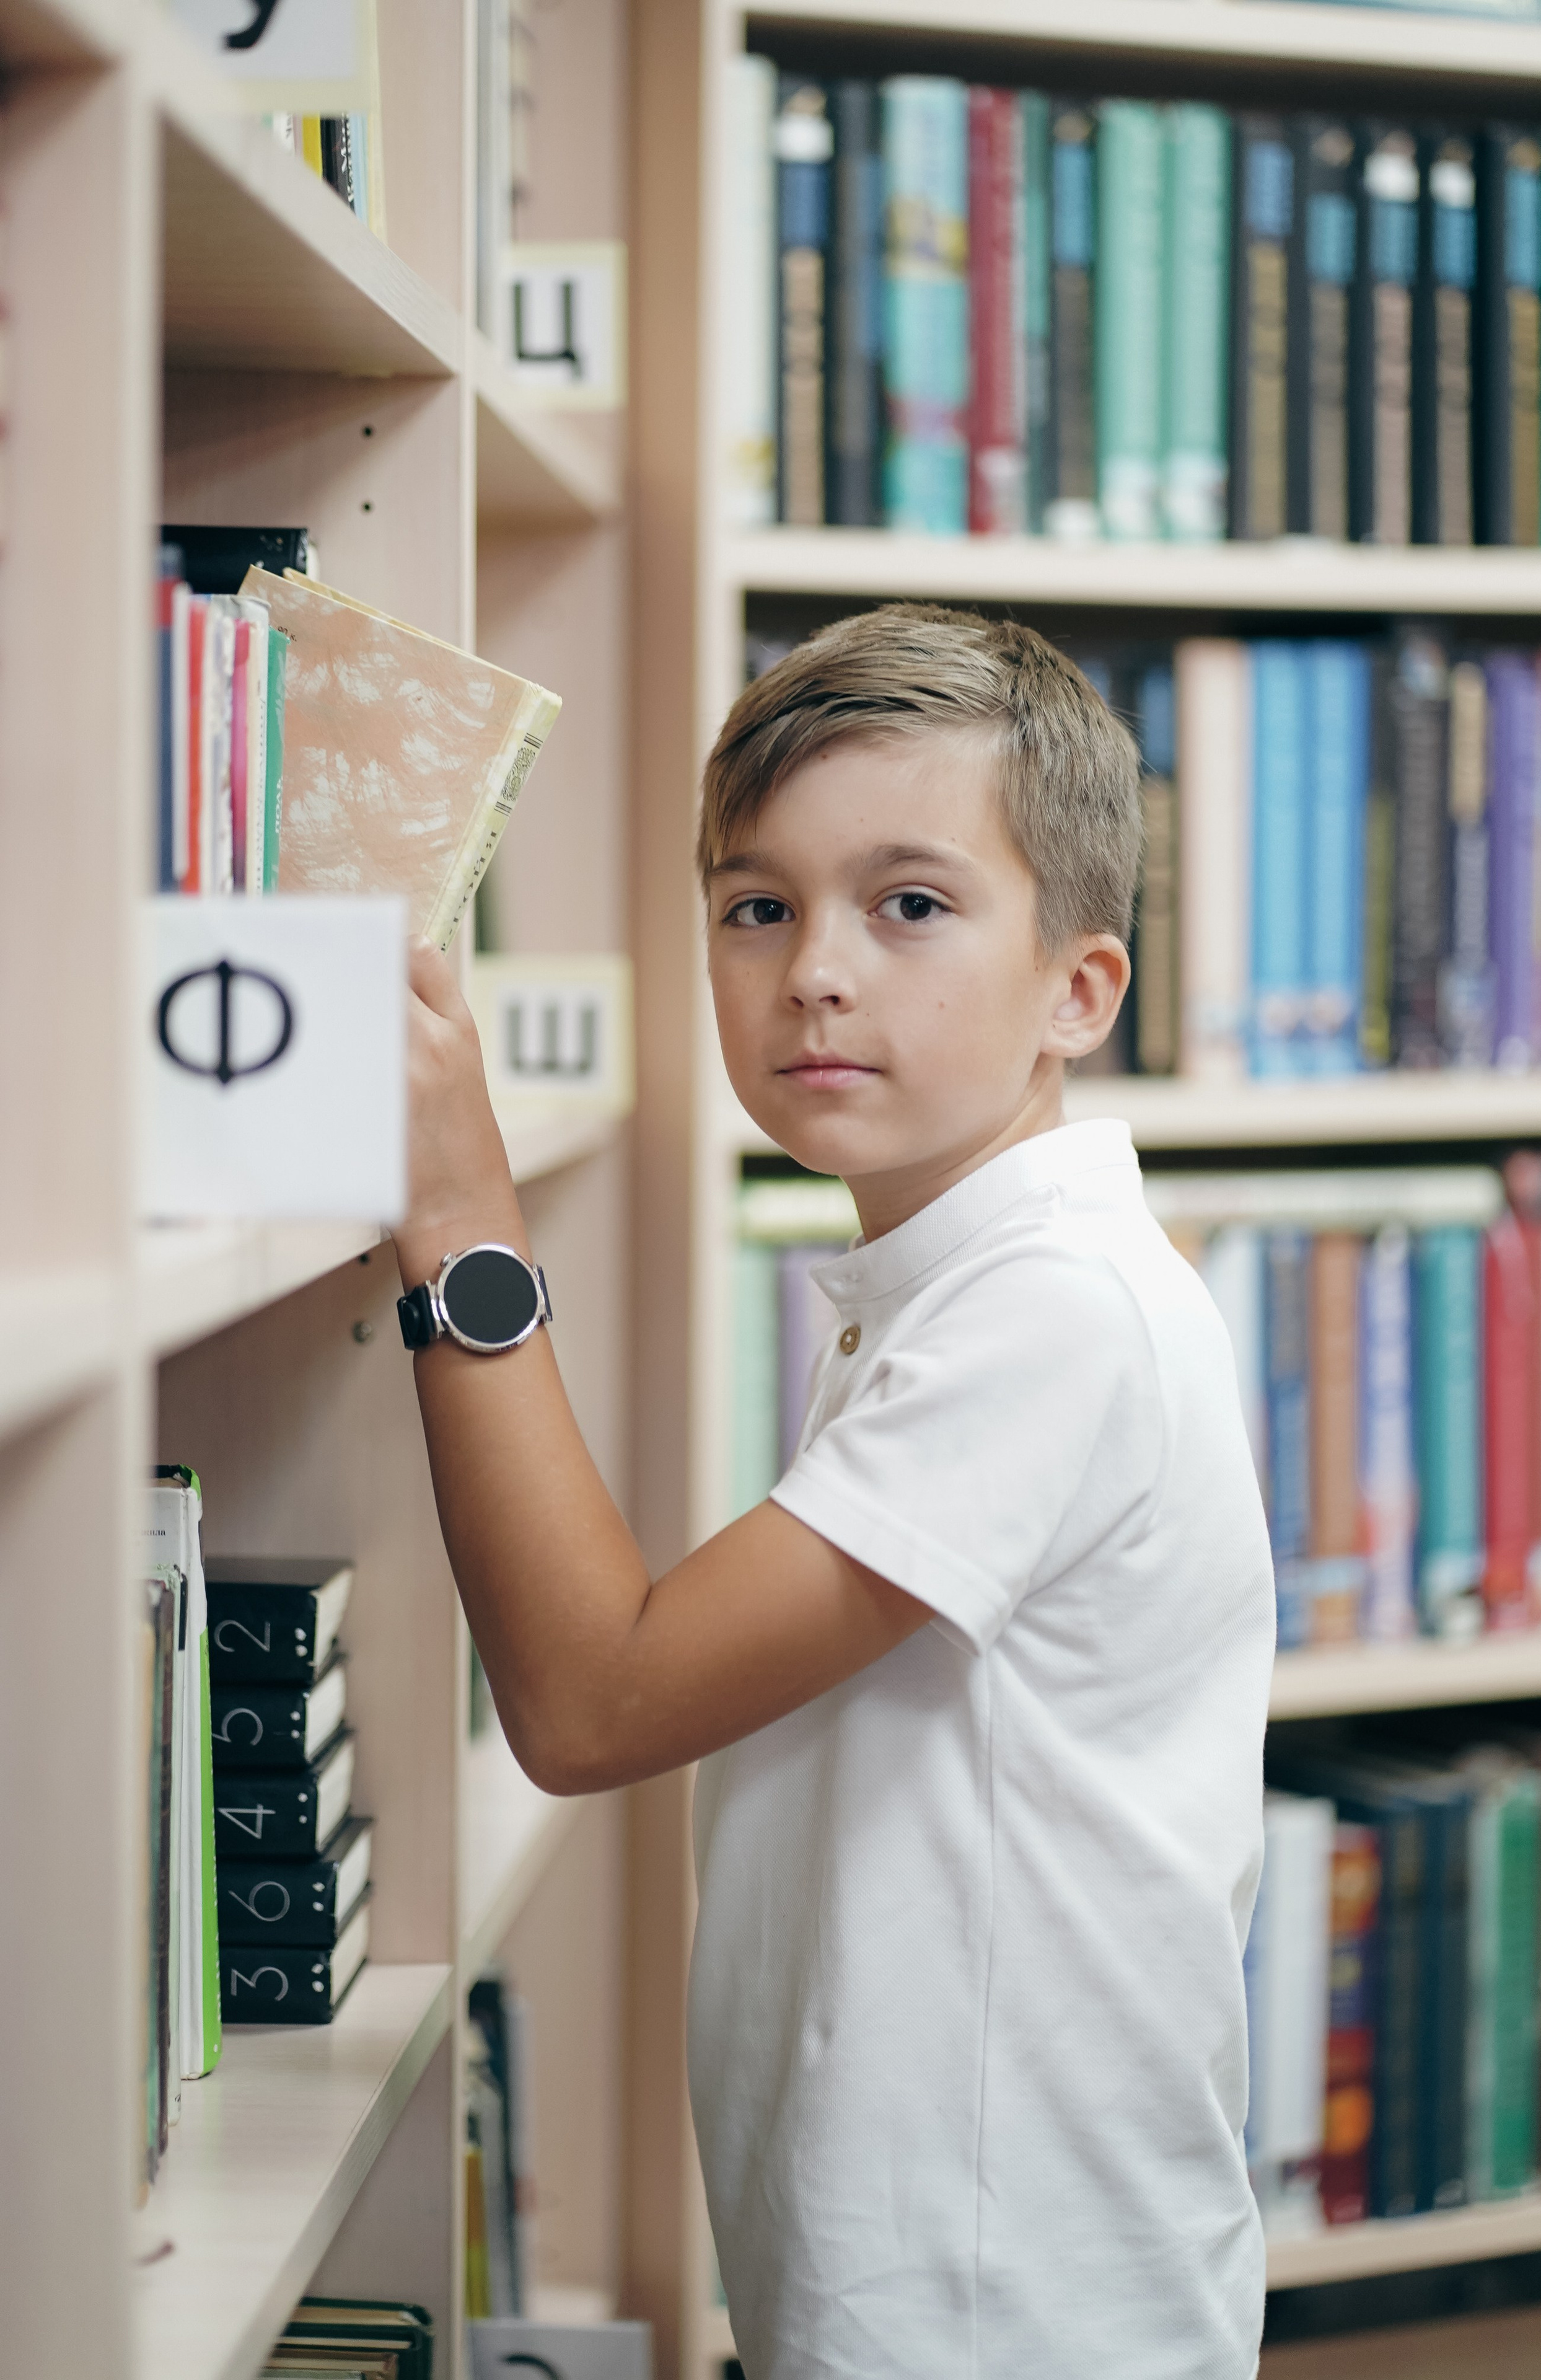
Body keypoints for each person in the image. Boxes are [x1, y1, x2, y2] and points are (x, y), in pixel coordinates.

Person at [395, 603, 1275, 2379]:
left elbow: (589, 1698)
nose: (815, 970)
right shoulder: (953, 1274)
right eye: (758, 904)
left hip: (1007, 2316)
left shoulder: (1053, 1312)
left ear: (1079, 991)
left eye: (913, 905)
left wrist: (462, 1217)